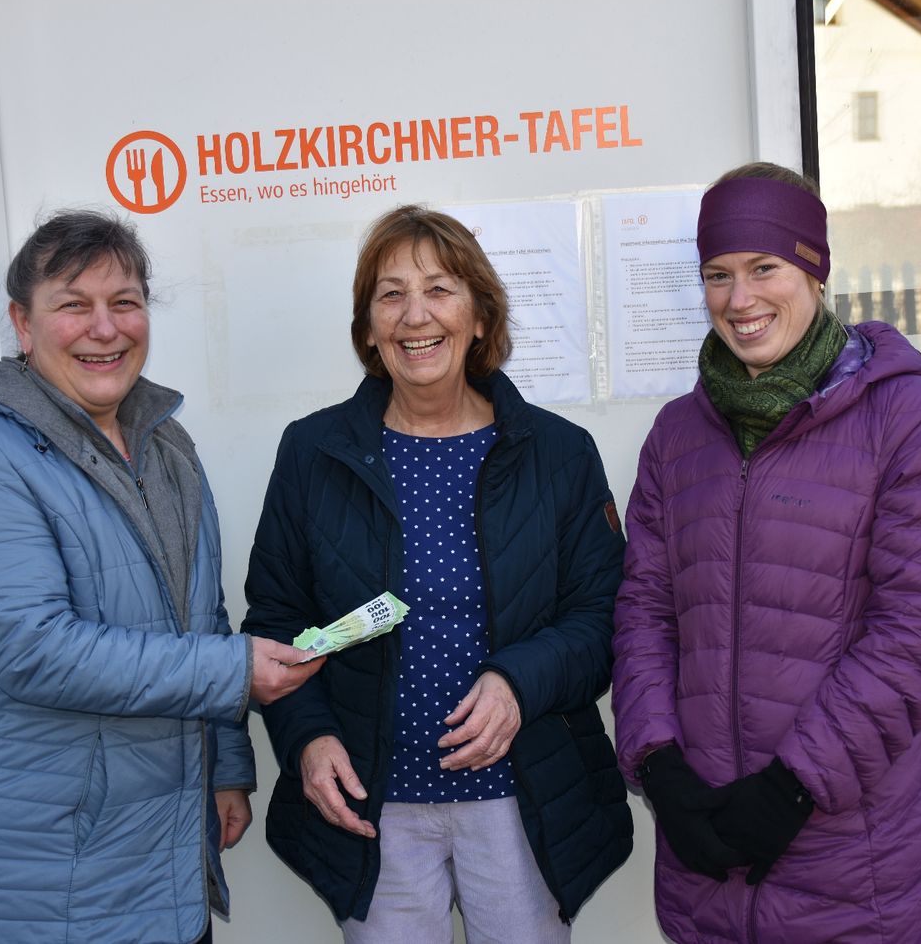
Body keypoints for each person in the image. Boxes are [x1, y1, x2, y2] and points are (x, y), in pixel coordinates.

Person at [0, 210, 322, 944]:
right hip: (32, 881)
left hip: (150, 860)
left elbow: (202, 620)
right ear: (22, 324)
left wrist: (224, 765)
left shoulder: (164, 444)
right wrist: (232, 672)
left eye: (124, 302)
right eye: (74, 304)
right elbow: (32, 650)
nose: (106, 328)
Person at [242, 205, 632, 942]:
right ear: (367, 328)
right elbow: (275, 623)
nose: (415, 315)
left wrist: (520, 683)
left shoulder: (559, 453)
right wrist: (307, 739)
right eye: (390, 295)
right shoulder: (312, 453)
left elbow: (602, 619)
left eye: (441, 289)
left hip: (521, 800)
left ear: (481, 316)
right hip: (374, 807)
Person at [611, 163, 921, 944]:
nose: (739, 301)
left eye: (763, 268)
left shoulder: (899, 415)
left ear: (814, 267)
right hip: (709, 864)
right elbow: (644, 609)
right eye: (717, 275)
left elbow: (920, 630)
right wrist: (659, 767)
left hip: (862, 873)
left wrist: (793, 789)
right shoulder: (679, 435)